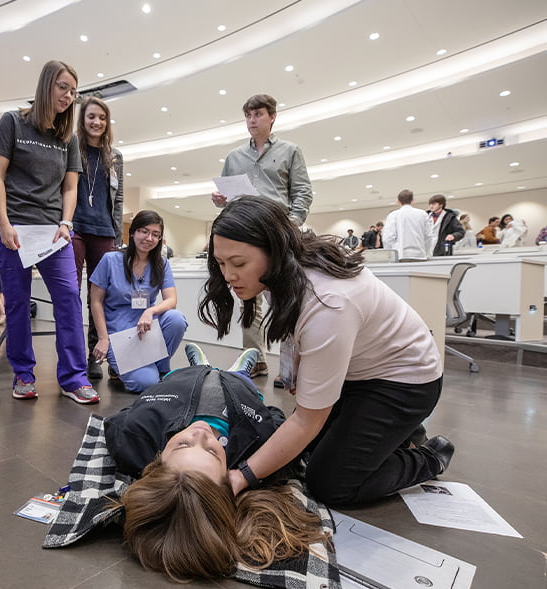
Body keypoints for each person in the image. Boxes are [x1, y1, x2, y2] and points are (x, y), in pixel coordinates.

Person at [199, 196, 454, 506]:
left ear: (275, 251)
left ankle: (429, 456)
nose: (228, 276)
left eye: (238, 263)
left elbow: (307, 420)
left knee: (331, 482)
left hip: (407, 382)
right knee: (300, 451)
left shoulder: (328, 303)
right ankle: (398, 432)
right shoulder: (283, 274)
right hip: (359, 371)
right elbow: (297, 333)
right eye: (221, 263)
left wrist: (240, 478)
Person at [106, 344, 330, 582]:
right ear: (228, 476)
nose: (201, 434)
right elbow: (275, 416)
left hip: (182, 379)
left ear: (156, 461)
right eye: (212, 451)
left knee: (187, 372)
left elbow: (122, 416)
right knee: (242, 381)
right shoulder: (258, 445)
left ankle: (201, 366)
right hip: (238, 388)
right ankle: (241, 372)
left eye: (182, 445)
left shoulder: (132, 436)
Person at [0, 60, 99, 404]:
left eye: (73, 92)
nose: (68, 96)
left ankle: (74, 378)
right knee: (17, 302)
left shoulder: (68, 137)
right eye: (62, 87)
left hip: (53, 232)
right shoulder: (13, 122)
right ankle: (23, 374)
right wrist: (4, 223)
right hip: (14, 228)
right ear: (46, 85)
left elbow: (70, 188)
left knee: (68, 299)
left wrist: (67, 223)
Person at [210, 93, 313, 381]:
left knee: (286, 300)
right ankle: (254, 360)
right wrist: (220, 200)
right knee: (248, 301)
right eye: (248, 116)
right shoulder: (234, 157)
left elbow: (303, 192)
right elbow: (228, 198)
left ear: (272, 117)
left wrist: (291, 225)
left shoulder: (291, 151)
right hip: (246, 234)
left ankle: (290, 370)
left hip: (279, 234)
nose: (252, 120)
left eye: (258, 115)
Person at [89, 210, 187, 393]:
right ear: (133, 232)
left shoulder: (161, 263)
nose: (149, 238)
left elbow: (171, 300)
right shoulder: (110, 260)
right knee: (145, 384)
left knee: (176, 319)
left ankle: (161, 367)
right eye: (144, 231)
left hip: (147, 328)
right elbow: (95, 301)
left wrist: (150, 311)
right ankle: (141, 369)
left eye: (155, 234)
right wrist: (103, 338)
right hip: (119, 333)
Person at [71, 97, 124, 380]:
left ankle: (97, 355)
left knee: (101, 298)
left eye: (102, 118)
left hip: (104, 232)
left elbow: (118, 200)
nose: (97, 122)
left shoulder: (115, 157)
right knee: (72, 294)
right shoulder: (71, 149)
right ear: (83, 119)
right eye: (91, 116)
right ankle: (75, 356)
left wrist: (116, 235)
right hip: (75, 229)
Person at [383, 189, 434, 260]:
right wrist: (427, 253)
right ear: (412, 200)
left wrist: (390, 256)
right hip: (420, 255)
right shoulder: (422, 214)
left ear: (398, 201)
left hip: (400, 256)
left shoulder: (393, 215)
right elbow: (428, 236)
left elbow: (388, 238)